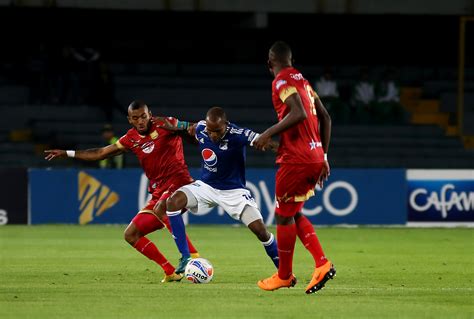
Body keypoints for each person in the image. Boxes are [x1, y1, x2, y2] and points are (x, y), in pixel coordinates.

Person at [44, 100, 199, 282]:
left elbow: (194, 133)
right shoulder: (130, 138)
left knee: (162, 207)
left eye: (143, 116)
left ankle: (192, 257)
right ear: (129, 120)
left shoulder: (166, 124)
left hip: (179, 183)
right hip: (158, 192)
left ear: (150, 114)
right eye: (135, 118)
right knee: (131, 234)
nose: (141, 121)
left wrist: (187, 130)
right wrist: (67, 153)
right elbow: (100, 153)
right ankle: (170, 271)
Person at [253, 41, 335, 294]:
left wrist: (267, 133)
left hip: (296, 160)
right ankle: (321, 263)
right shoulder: (304, 81)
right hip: (314, 155)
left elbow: (298, 113)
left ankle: (284, 276)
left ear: (270, 62)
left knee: (283, 215)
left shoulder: (280, 82)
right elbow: (325, 117)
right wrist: (324, 155)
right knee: (292, 212)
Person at [157, 106, 279, 271]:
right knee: (173, 203)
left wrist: (277, 148)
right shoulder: (201, 127)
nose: (213, 135)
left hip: (234, 191)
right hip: (206, 187)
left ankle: (284, 271)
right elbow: (188, 130)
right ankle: (186, 257)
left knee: (261, 231)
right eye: (210, 131)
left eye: (217, 131)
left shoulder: (238, 134)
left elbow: (267, 141)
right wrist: (174, 129)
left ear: (226, 125)